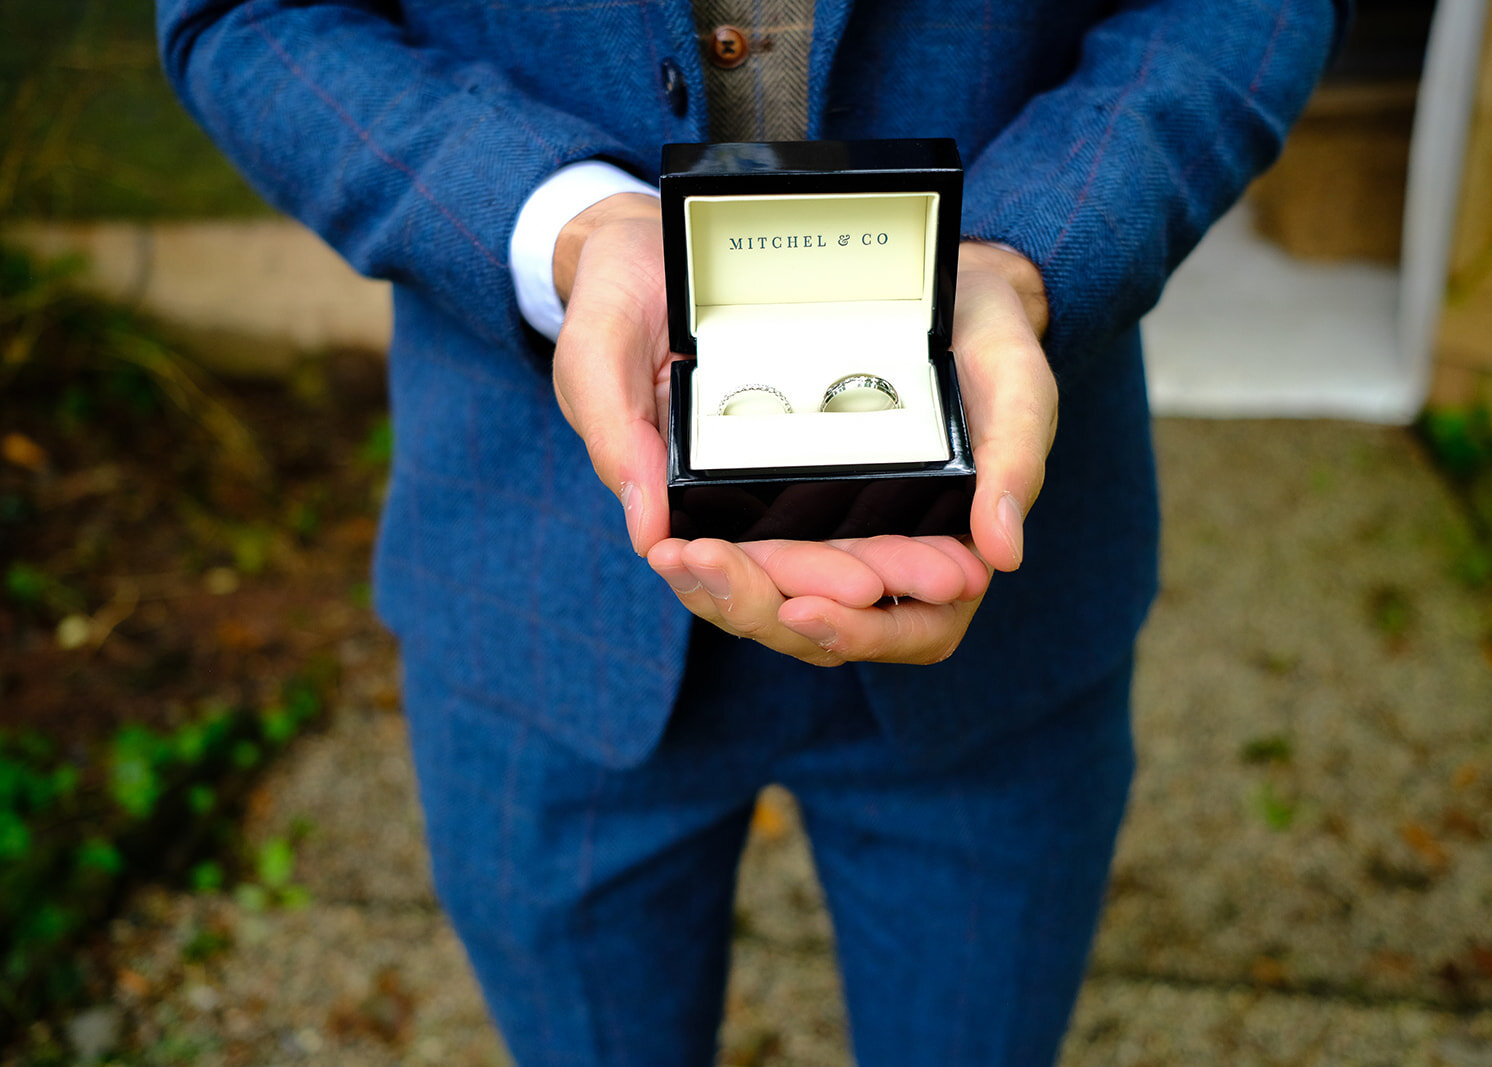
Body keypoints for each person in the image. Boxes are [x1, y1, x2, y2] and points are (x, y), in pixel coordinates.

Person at [156, 1, 1347, 1062]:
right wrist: (571, 229)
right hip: (534, 584)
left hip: (1005, 615)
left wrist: (1024, 258)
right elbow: (248, 15)